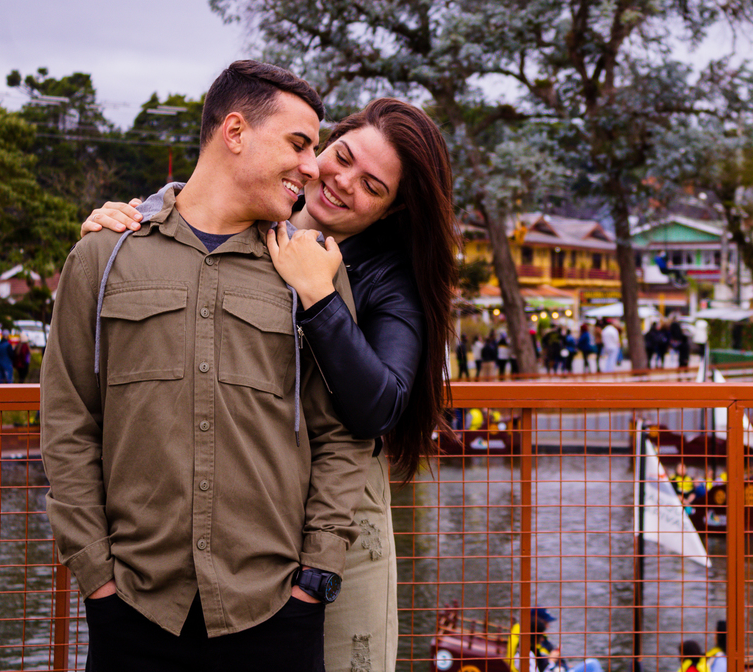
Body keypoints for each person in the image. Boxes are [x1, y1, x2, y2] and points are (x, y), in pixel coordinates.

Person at [81, 94, 459, 672]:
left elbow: (380, 408)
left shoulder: (386, 277)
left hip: (338, 519)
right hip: (230, 522)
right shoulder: (254, 217)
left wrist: (321, 298)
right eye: (343, 155)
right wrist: (126, 225)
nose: (342, 181)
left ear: (390, 213)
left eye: (373, 187)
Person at [44, 60, 375, 671]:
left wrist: (316, 576)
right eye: (299, 144)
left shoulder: (313, 271)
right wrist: (96, 577)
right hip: (133, 610)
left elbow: (342, 434)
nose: (313, 166)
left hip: (276, 610)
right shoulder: (103, 255)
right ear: (235, 131)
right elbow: (69, 425)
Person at [508, 608, 602, 672]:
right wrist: (552, 661)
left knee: (592, 664)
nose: (542, 638)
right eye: (545, 623)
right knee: (592, 664)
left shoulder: (530, 649)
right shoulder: (525, 654)